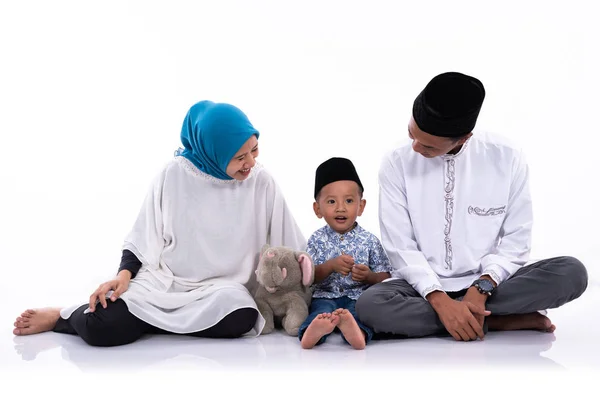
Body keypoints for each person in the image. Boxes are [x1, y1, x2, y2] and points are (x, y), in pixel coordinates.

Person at [12, 100, 306, 346]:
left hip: (222, 290)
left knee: (242, 317)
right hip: (166, 283)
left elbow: (290, 244)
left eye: (254, 150)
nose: (250, 163)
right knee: (100, 325)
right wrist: (124, 276)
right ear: (212, 152)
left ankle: (149, 325)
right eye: (239, 156)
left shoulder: (261, 183)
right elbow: (144, 235)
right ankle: (62, 315)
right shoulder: (174, 175)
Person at [355, 72, 589, 342]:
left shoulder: (506, 156)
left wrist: (482, 287)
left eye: (429, 145)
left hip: (490, 284)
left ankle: (467, 315)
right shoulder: (396, 162)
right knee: (371, 307)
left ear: (463, 138)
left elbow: (516, 240)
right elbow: (400, 246)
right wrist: (439, 299)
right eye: (411, 133)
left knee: (572, 273)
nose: (416, 147)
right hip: (418, 287)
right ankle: (499, 320)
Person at [298, 157, 392, 350]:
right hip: (325, 295)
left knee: (358, 313)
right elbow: (309, 277)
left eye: (349, 201)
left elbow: (386, 277)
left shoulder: (370, 240)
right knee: (320, 311)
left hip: (358, 297)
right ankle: (312, 332)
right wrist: (330, 266)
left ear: (361, 206)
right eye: (331, 201)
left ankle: (356, 332)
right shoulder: (316, 239)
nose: (341, 208)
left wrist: (369, 277)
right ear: (318, 209)